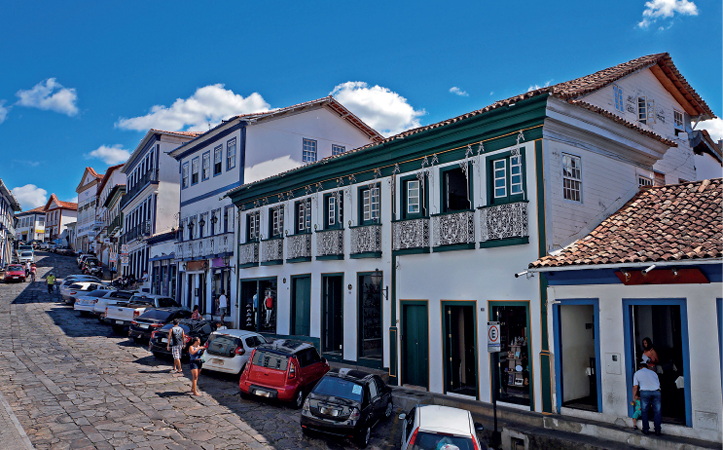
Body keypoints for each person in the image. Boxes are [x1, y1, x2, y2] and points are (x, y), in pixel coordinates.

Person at [633, 359, 662, 435]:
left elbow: (635, 387)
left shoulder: (637, 373)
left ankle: (645, 429)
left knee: (644, 411)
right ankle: (657, 430)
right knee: (657, 411)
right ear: (647, 367)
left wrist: (634, 397)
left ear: (640, 368)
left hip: (645, 392)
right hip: (656, 391)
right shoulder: (653, 373)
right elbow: (658, 384)